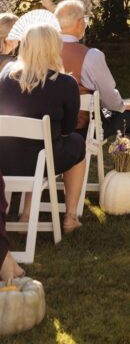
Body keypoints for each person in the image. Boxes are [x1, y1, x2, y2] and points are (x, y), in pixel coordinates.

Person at [0, 25, 86, 233]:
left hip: (4, 161)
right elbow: (67, 129)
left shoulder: (5, 77)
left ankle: (27, 215)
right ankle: (71, 216)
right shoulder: (65, 83)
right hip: (41, 160)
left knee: (37, 149)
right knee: (76, 143)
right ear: (53, 48)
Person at [55, 0, 130, 138]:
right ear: (80, 23)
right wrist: (122, 106)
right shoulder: (92, 55)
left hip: (51, 125)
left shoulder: (42, 53)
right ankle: (124, 156)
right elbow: (108, 96)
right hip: (83, 128)